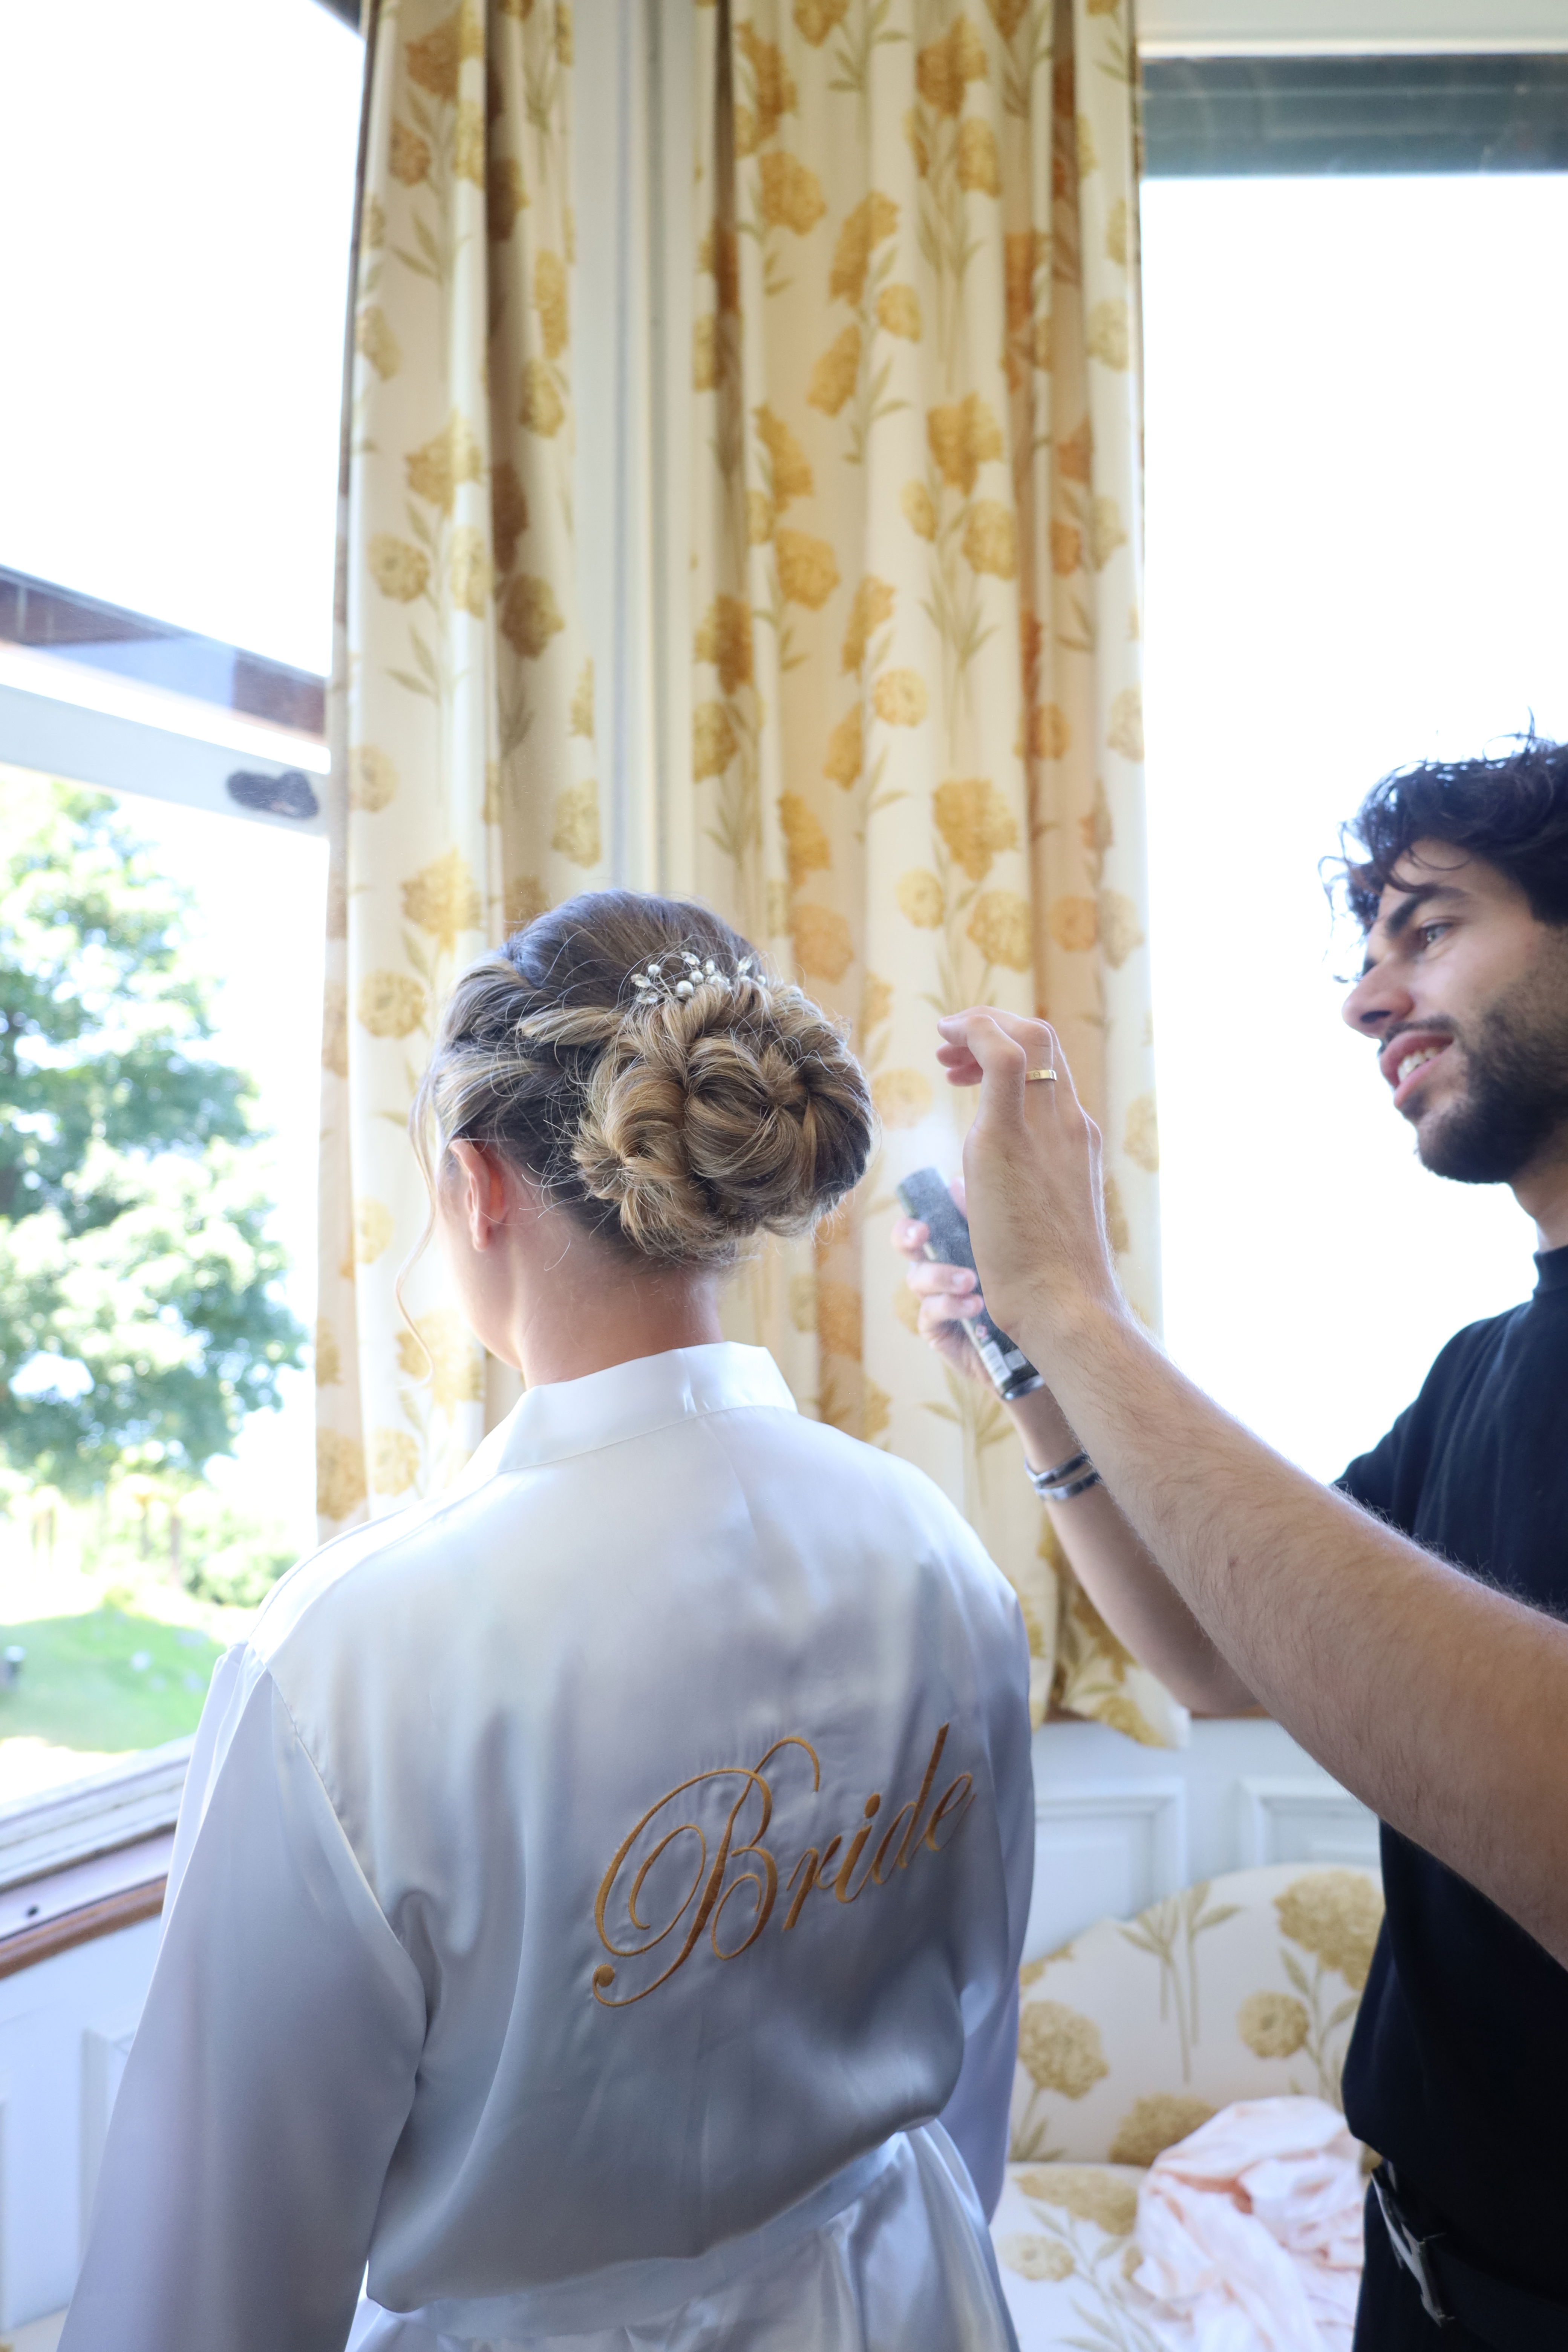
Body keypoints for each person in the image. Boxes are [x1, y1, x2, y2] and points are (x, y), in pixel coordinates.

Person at [64, 891, 1032, 2352]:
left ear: (477, 1184)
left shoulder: (355, 1665)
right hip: (902, 2297)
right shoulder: (936, 1552)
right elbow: (973, 2061)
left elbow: (212, 2280)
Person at [895, 738, 1568, 2351]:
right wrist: (1032, 1373)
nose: (1364, 1000)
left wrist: (1078, 1305)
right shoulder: (1479, 1371)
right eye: (1366, 950)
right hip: (1420, 2268)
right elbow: (1216, 1651)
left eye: (1428, 930)